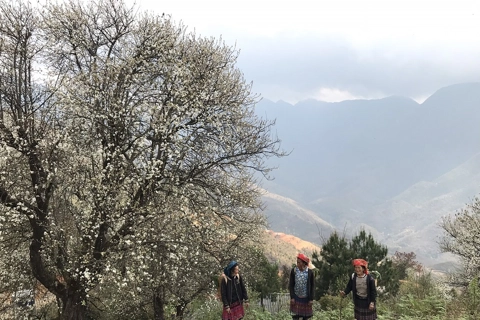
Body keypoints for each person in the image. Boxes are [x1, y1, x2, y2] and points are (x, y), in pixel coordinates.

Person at [289, 253, 315, 320]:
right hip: (296, 298)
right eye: (297, 262)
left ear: (304, 263)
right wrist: (292, 297)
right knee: (295, 317)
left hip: (306, 299)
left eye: (299, 262)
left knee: (305, 318)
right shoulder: (294, 271)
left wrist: (311, 299)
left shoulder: (309, 273)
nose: (297, 264)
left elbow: (312, 286)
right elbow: (291, 285)